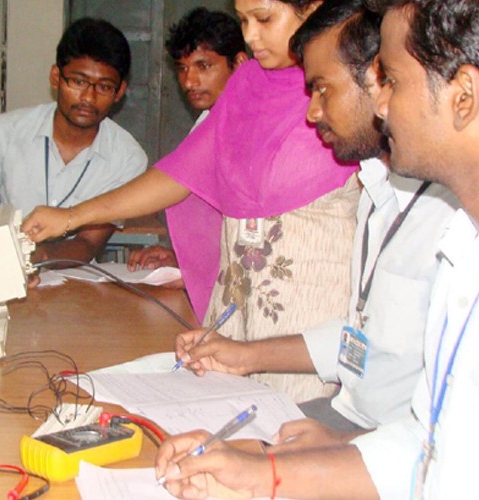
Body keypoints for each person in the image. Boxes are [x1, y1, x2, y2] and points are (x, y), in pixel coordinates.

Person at [155, 0, 479, 498]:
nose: (380, 103)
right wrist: (269, 473)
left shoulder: (464, 234)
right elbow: (428, 444)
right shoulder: (459, 238)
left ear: (464, 96)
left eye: (389, 79)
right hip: (362, 431)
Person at [24, 0, 360, 404]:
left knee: (296, 434)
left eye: (265, 19)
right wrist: (71, 217)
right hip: (235, 312)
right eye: (243, 20)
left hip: (309, 318)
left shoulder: (348, 88)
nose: (250, 35)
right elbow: (179, 173)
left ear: (315, 10)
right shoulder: (246, 83)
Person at [174, 0, 458, 440]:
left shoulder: (450, 216)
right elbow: (358, 342)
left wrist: (333, 456)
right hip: (348, 415)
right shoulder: (377, 193)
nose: (312, 112)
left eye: (323, 89)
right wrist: (244, 355)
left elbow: (445, 430)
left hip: (388, 443)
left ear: (380, 82)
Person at [0, 18, 146, 266]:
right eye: (78, 82)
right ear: (56, 77)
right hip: (3, 266)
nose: (88, 98)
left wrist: (40, 257)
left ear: (120, 92)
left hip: (76, 277)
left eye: (104, 87)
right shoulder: (5, 131)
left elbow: (89, 243)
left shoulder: (129, 158)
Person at [127, 7, 248, 283]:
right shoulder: (207, 121)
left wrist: (72, 217)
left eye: (204, 66)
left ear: (239, 63)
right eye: (182, 69)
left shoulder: (249, 126)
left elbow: (168, 185)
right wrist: (181, 259)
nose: (189, 81)